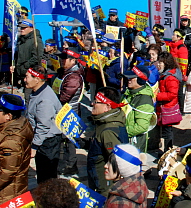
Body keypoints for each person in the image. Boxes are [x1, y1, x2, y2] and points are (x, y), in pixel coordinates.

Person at [24, 66, 62, 184]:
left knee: (46, 176)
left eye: (27, 77)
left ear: (37, 79)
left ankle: (48, 199)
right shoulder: (37, 91)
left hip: (48, 142)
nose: (24, 79)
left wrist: (34, 146)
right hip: (44, 139)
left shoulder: (45, 99)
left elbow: (43, 125)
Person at [87, 87, 129, 195]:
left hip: (104, 185)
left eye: (96, 102)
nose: (92, 104)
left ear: (107, 107)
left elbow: (116, 160)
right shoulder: (106, 121)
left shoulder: (108, 131)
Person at [0, 93, 34, 205]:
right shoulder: (17, 124)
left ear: (8, 116)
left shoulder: (12, 141)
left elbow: (7, 172)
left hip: (6, 194)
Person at [55, 48, 85, 177]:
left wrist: (55, 98)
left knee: (69, 140)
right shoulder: (65, 73)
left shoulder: (74, 76)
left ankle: (70, 166)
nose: (62, 61)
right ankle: (66, 164)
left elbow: (64, 96)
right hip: (64, 109)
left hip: (69, 111)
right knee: (65, 140)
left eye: (65, 58)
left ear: (73, 60)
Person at [121, 65, 155, 152]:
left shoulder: (144, 99)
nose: (128, 80)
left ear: (140, 80)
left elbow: (141, 127)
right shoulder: (130, 93)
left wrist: (120, 132)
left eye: (132, 78)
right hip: (124, 140)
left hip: (134, 144)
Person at [156, 52, 183, 152]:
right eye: (158, 62)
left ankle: (167, 151)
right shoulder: (164, 75)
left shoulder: (170, 77)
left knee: (168, 132)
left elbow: (172, 94)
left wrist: (157, 96)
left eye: (161, 63)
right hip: (164, 107)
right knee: (166, 131)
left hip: (168, 108)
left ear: (166, 63)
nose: (158, 64)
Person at [11, 18, 44, 91]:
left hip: (31, 75)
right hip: (22, 74)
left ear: (31, 28)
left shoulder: (36, 40)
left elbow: (37, 58)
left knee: (29, 96)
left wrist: (24, 67)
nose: (21, 29)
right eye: (21, 28)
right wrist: (15, 66)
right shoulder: (21, 40)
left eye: (24, 28)